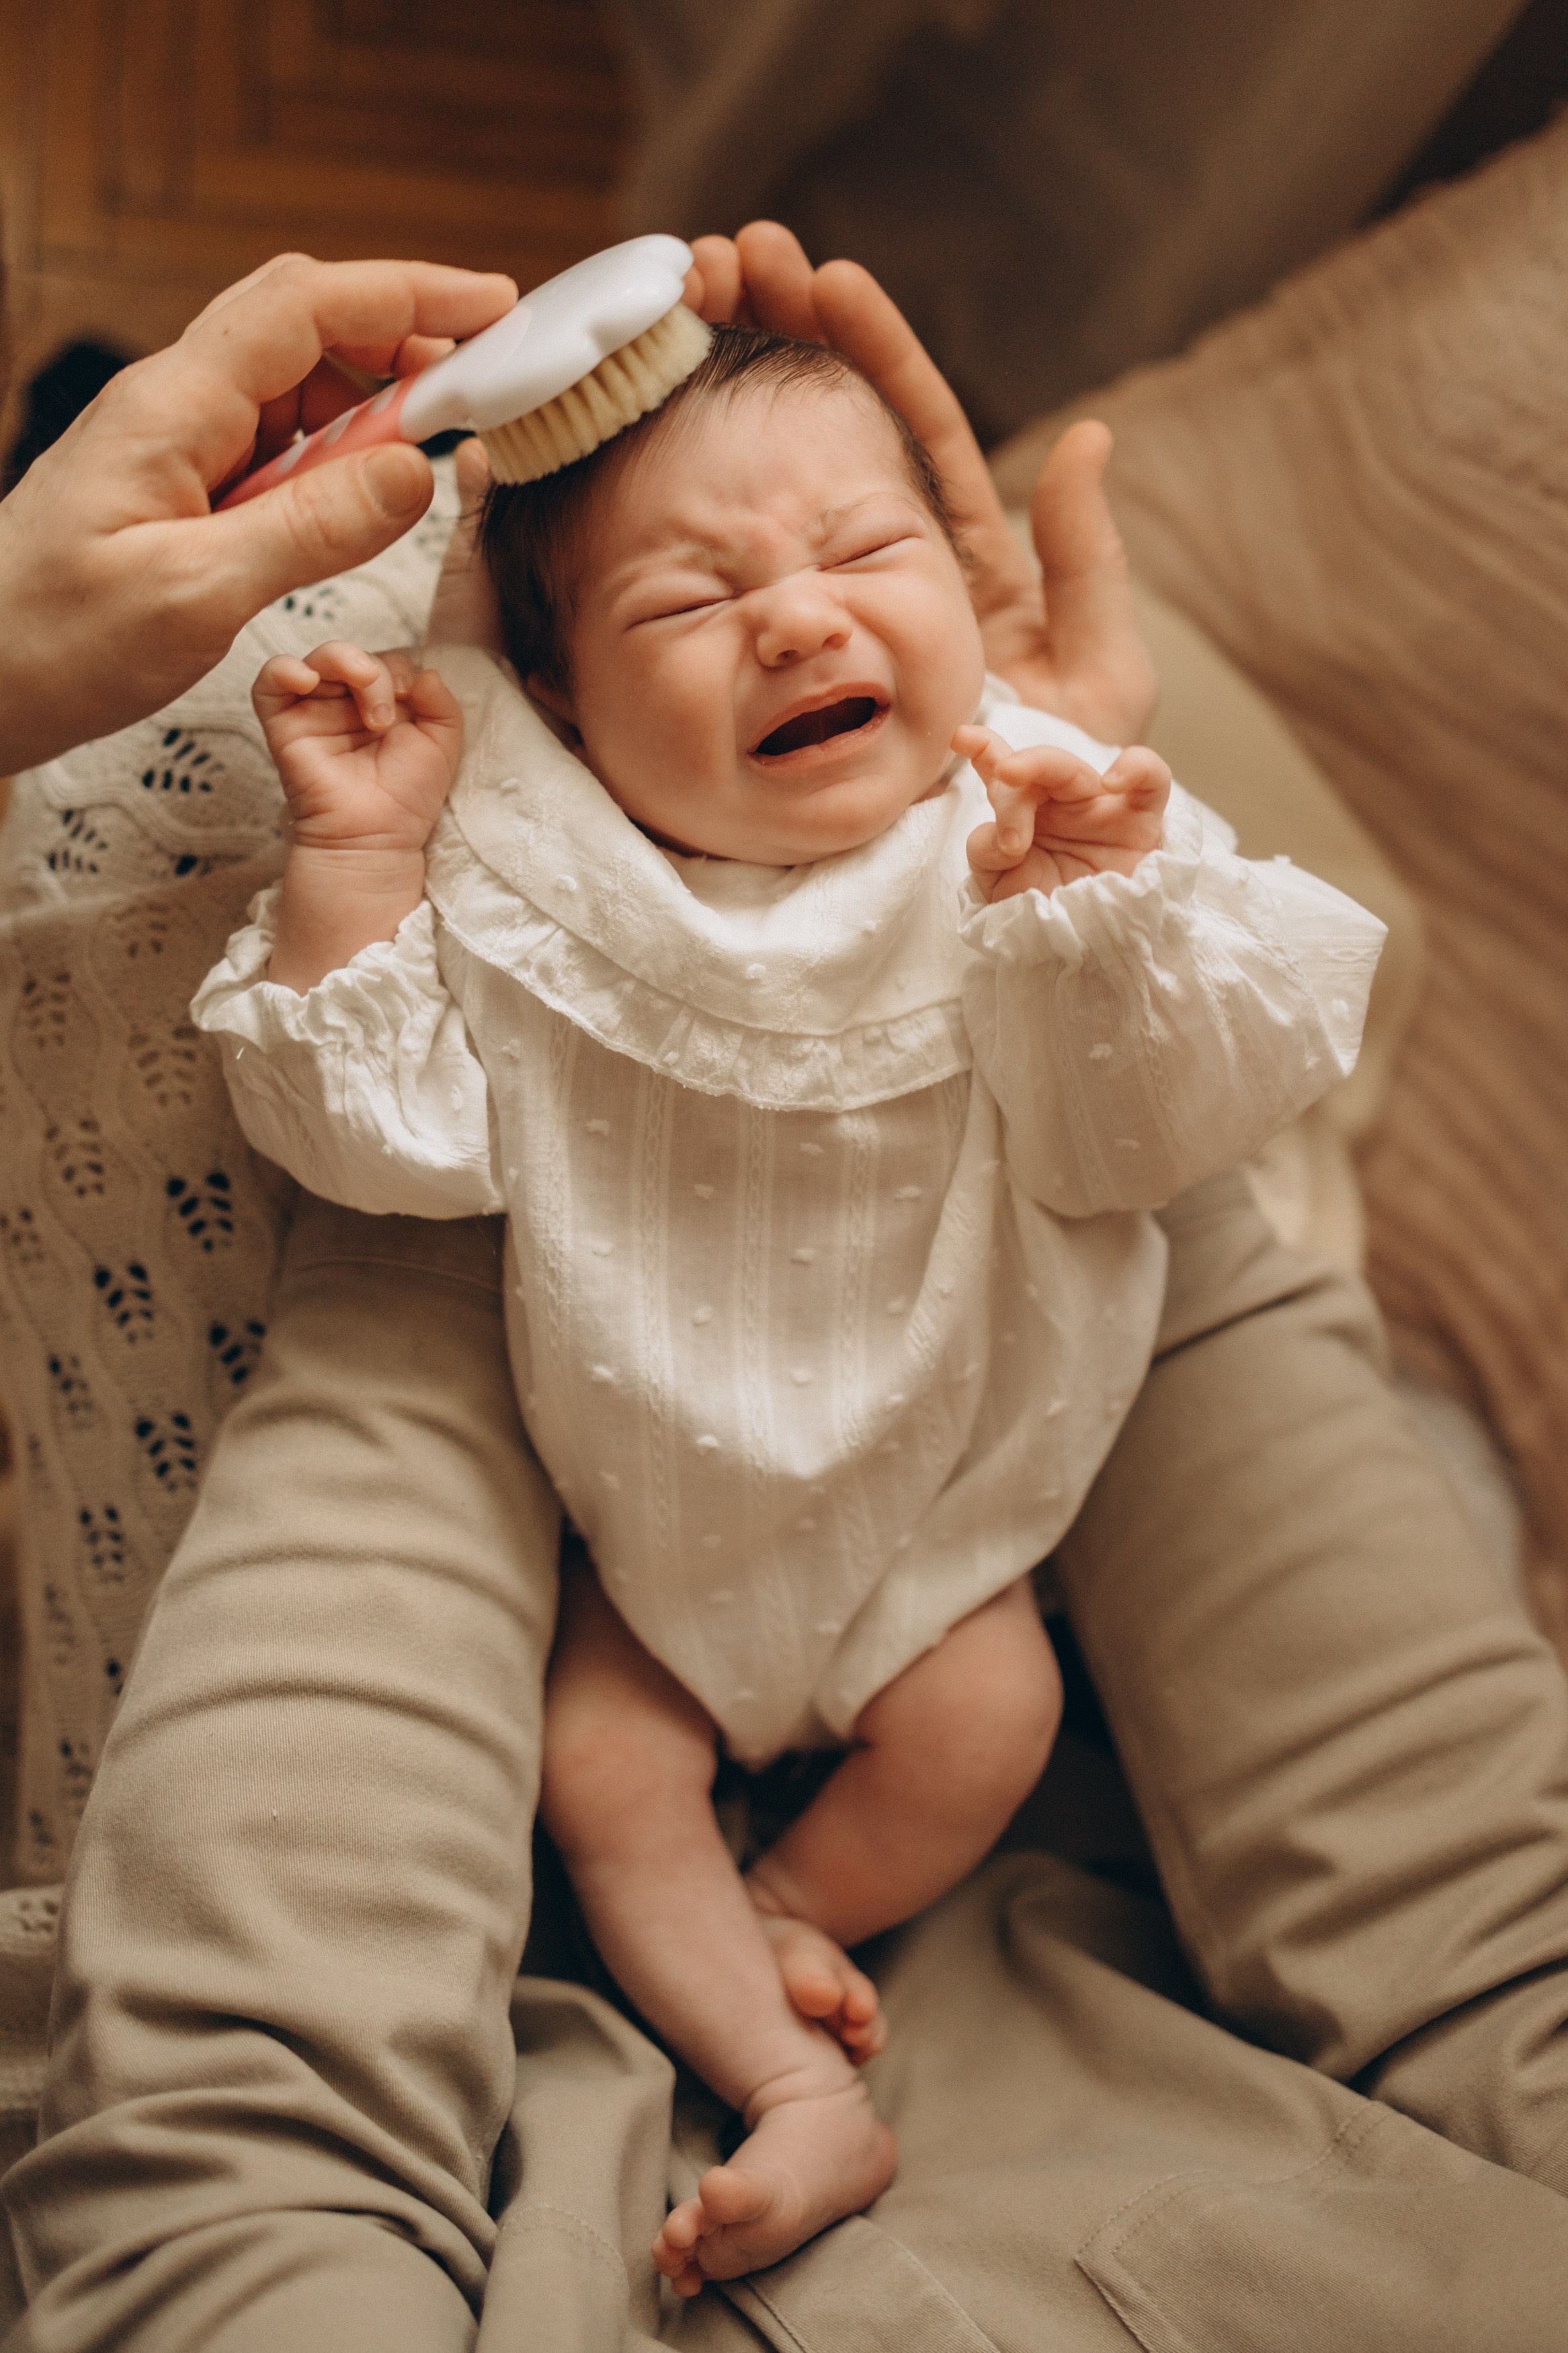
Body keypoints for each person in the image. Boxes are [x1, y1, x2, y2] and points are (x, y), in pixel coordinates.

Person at [1, 225, 1566, 2353]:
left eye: (863, 550)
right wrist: (362, 868)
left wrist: (1117, 883)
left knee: (988, 1711)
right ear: (554, 701)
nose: (802, 611)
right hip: (638, 1549)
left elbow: (1173, 1119)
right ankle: (793, 2069)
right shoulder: (543, 888)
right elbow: (386, 1156)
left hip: (950, 1534)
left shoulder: (1011, 829)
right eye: (690, 599)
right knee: (606, 1763)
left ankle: (792, 1925)